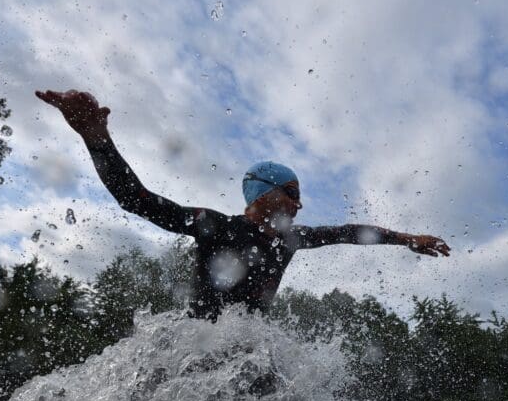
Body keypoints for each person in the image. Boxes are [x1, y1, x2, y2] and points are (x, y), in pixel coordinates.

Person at [35, 90, 451, 322]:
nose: (299, 203)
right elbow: (135, 200)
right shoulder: (211, 224)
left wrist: (406, 239)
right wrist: (96, 137)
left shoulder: (293, 240)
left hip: (247, 349)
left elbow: (348, 233)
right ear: (261, 193)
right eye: (290, 191)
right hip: (196, 346)